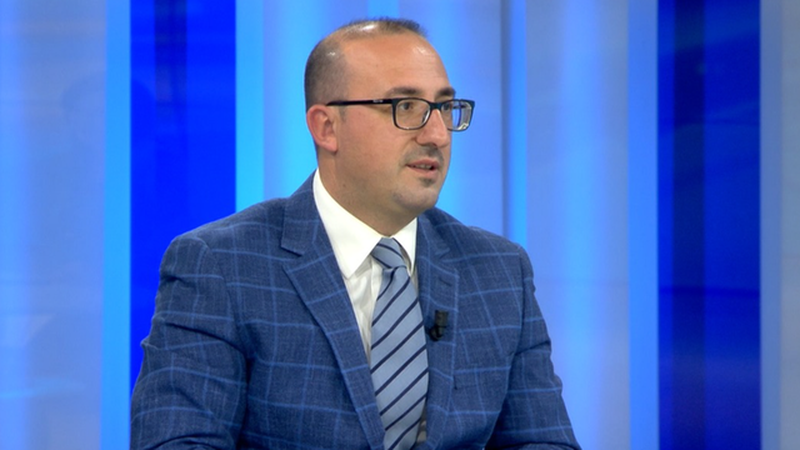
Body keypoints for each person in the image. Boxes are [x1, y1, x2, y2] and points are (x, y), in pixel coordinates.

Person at [130, 18, 580, 450]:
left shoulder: (499, 270)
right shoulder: (222, 265)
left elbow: (543, 440)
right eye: (406, 107)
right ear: (326, 127)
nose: (438, 135)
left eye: (444, 108)